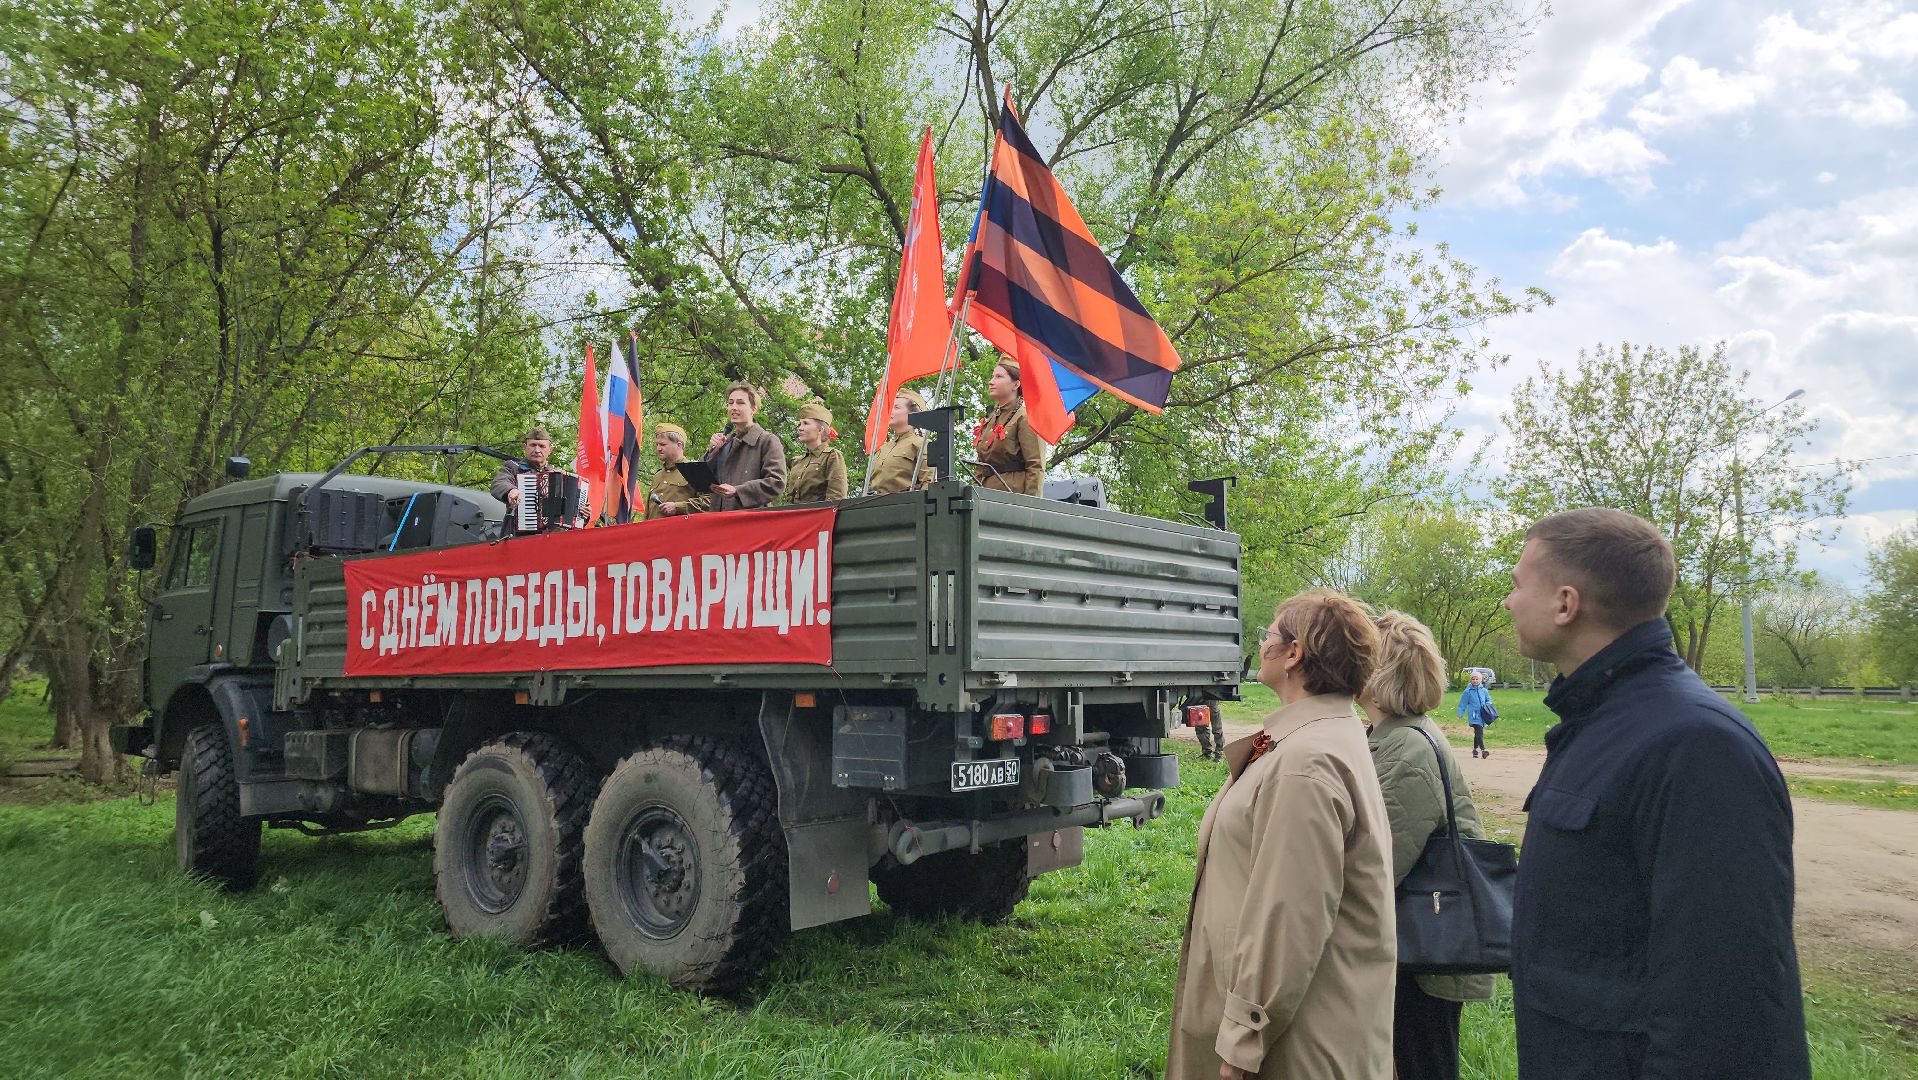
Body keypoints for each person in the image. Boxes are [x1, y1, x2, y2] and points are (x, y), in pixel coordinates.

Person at [1503, 507, 1808, 1079]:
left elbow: (1725, 995)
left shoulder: (1696, 745)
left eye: (1518, 585)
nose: (1508, 601)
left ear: (1566, 604)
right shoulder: (1602, 721)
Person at [1167, 589, 1395, 1080]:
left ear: (1294, 654)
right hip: (1302, 1028)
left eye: (1268, 634)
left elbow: (1288, 914)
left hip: (1296, 1046)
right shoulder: (1317, 737)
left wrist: (1244, 1038)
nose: (1262, 643)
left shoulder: (1305, 762)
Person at [1360, 611, 1495, 1080]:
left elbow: (1377, 868)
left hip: (1425, 955)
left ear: (1378, 672)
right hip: (1414, 945)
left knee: (1422, 1065)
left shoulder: (1408, 749)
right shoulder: (1390, 736)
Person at [702, 381, 787, 511]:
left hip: (751, 521)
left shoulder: (767, 441)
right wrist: (712, 452)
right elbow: (703, 481)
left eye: (740, 403)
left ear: (754, 409)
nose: (734, 407)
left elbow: (776, 482)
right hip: (718, 518)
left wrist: (738, 491)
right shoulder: (725, 442)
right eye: (730, 403)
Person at [972, 361, 1046, 496]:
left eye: (999, 377)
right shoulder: (990, 421)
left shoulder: (1025, 417)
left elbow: (1035, 466)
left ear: (1016, 384)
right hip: (985, 498)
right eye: (992, 376)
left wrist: (1031, 507)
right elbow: (980, 466)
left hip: (1012, 499)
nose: (991, 381)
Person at [867, 388, 937, 494]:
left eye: (897, 407)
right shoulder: (882, 448)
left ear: (912, 413)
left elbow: (929, 484)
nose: (890, 411)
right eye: (891, 407)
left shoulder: (921, 444)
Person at [785, 402, 848, 503]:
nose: (800, 428)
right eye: (800, 424)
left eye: (806, 423)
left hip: (819, 517)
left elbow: (836, 498)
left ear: (820, 430)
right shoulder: (797, 462)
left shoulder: (831, 456)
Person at [645, 423, 711, 520]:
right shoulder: (658, 476)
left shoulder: (694, 469)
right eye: (657, 444)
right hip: (654, 533)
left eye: (663, 444)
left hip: (681, 533)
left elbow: (710, 502)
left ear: (679, 445)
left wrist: (678, 507)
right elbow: (648, 513)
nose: (658, 448)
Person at [490, 427, 556, 508]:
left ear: (550, 450)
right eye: (533, 445)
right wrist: (510, 490)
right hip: (518, 520)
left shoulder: (556, 475)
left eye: (542, 446)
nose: (537, 450)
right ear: (525, 447)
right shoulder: (512, 467)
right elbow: (499, 483)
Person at [1457, 671, 1493, 758]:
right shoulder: (1467, 692)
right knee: (1479, 731)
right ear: (1471, 680)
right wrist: (1460, 714)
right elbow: (1462, 704)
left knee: (1478, 733)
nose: (1475, 681)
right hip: (1474, 715)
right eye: (1473, 679)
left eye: (1477, 679)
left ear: (1480, 680)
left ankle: (1475, 750)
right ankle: (1483, 750)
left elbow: (1488, 700)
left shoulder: (1484, 690)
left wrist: (1487, 706)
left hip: (1483, 714)